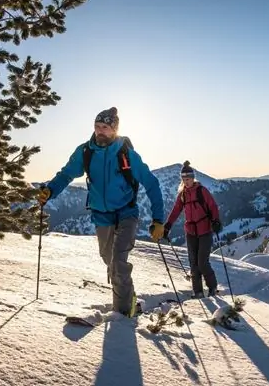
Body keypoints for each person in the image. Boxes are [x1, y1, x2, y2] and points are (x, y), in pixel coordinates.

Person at [36, 107, 165, 317]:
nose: (100, 131)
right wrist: (50, 190)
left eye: (105, 127)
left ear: (114, 129)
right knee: (109, 260)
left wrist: (158, 220)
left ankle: (124, 316)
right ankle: (129, 299)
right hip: (101, 216)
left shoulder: (126, 154)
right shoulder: (85, 152)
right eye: (97, 127)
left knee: (118, 263)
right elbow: (67, 174)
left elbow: (152, 183)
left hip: (126, 213)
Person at [163, 161, 223, 298]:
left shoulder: (202, 191)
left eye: (188, 179)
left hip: (205, 231)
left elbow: (213, 206)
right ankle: (198, 292)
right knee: (193, 263)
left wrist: (216, 221)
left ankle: (212, 287)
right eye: (184, 179)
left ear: (193, 178)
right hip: (190, 232)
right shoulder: (183, 194)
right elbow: (176, 210)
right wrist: (168, 225)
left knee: (202, 262)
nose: (186, 181)